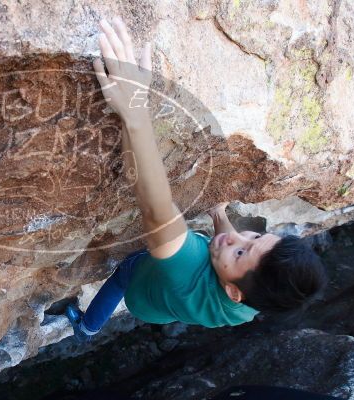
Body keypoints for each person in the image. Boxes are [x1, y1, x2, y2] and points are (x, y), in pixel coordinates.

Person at [65, 17, 327, 342]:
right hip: (158, 307)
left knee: (127, 268)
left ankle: (86, 327)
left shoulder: (187, 266)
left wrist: (134, 108)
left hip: (145, 288)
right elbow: (237, 249)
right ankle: (88, 329)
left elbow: (155, 207)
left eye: (241, 253)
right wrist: (218, 215)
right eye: (253, 238)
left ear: (233, 292)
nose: (236, 239)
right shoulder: (253, 301)